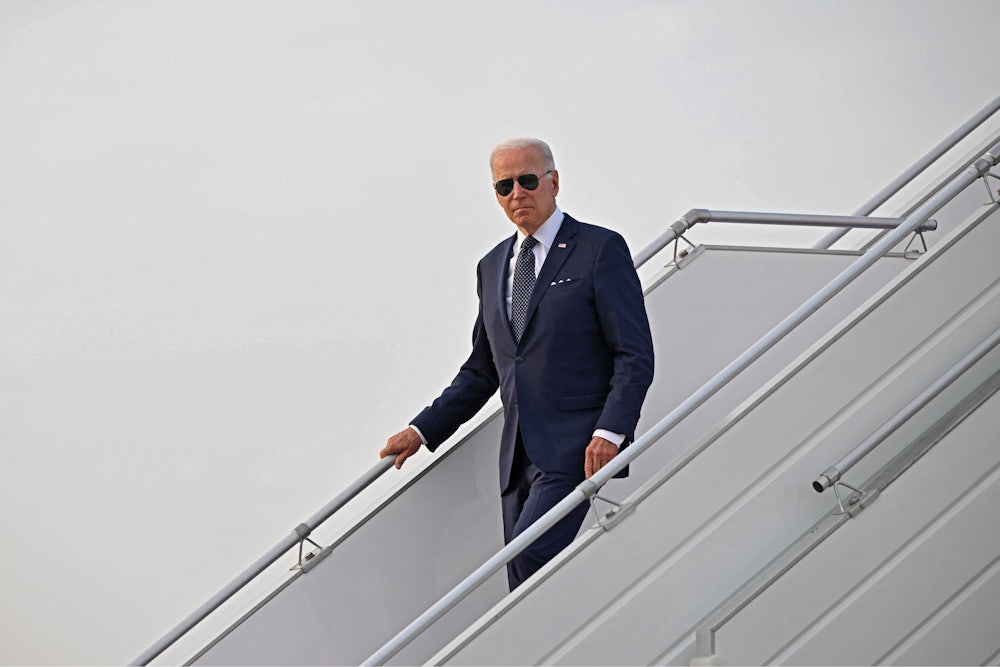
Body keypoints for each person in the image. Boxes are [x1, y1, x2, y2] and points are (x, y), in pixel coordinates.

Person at [380, 137, 654, 590]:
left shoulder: (599, 248)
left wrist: (611, 431)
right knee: (524, 583)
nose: (517, 194)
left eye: (527, 180)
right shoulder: (491, 267)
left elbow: (634, 353)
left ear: (554, 182)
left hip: (577, 446)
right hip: (516, 457)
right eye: (504, 186)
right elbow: (482, 370)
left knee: (530, 553)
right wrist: (421, 430)